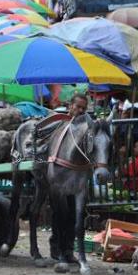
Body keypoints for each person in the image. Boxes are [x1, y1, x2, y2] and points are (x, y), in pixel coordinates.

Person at [50, 93, 89, 262]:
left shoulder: (86, 128)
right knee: (59, 213)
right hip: (57, 177)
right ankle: (57, 247)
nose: (80, 110)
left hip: (76, 179)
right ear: (70, 106)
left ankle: (68, 250)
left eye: (83, 108)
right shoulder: (58, 123)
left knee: (73, 214)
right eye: (78, 107)